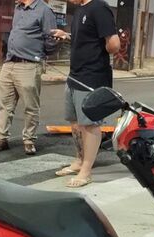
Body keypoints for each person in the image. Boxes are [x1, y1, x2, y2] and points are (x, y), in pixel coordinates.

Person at [51, 0, 120, 188]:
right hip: (75, 75)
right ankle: (79, 161)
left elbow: (114, 44)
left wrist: (95, 54)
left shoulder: (99, 8)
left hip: (92, 76)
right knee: (74, 121)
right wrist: (67, 36)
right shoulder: (82, 9)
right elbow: (88, 37)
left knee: (89, 124)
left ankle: (86, 171)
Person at [0, 0, 57, 155]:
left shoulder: (44, 10)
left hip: (29, 65)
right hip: (9, 63)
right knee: (5, 104)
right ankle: (1, 139)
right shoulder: (18, 9)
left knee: (31, 107)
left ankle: (29, 140)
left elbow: (51, 38)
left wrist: (39, 56)